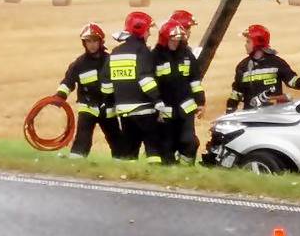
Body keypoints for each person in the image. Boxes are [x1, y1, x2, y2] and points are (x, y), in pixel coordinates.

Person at [101, 11, 166, 163]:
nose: (149, 34)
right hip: (144, 109)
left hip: (123, 111)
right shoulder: (142, 51)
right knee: (153, 147)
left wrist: (110, 103)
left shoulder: (115, 52)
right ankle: (153, 178)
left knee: (130, 150)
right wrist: (157, 99)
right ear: (142, 30)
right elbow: (145, 79)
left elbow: (106, 82)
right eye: (148, 30)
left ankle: (130, 178)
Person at [55, 23, 122, 158]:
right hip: (87, 107)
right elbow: (68, 81)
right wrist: (60, 95)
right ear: (84, 43)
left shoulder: (110, 61)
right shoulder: (79, 64)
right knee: (82, 138)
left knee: (116, 141)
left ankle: (120, 164)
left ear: (100, 41)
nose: (91, 45)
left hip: (108, 108)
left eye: (94, 41)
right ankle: (76, 163)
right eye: (88, 41)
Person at [226, 24, 300, 112]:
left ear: (257, 43)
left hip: (274, 116)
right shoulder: (242, 66)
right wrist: (229, 110)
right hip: (251, 116)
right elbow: (236, 93)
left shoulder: (277, 63)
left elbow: (293, 82)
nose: (245, 45)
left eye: (248, 41)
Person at [153, 19, 205, 164]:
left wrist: (200, 102)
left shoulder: (187, 55)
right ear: (164, 39)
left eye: (178, 40)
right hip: (165, 111)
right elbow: (152, 84)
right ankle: (170, 171)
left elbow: (195, 80)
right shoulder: (155, 56)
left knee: (189, 142)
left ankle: (186, 170)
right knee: (166, 145)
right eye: (172, 40)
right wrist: (156, 104)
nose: (175, 43)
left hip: (185, 109)